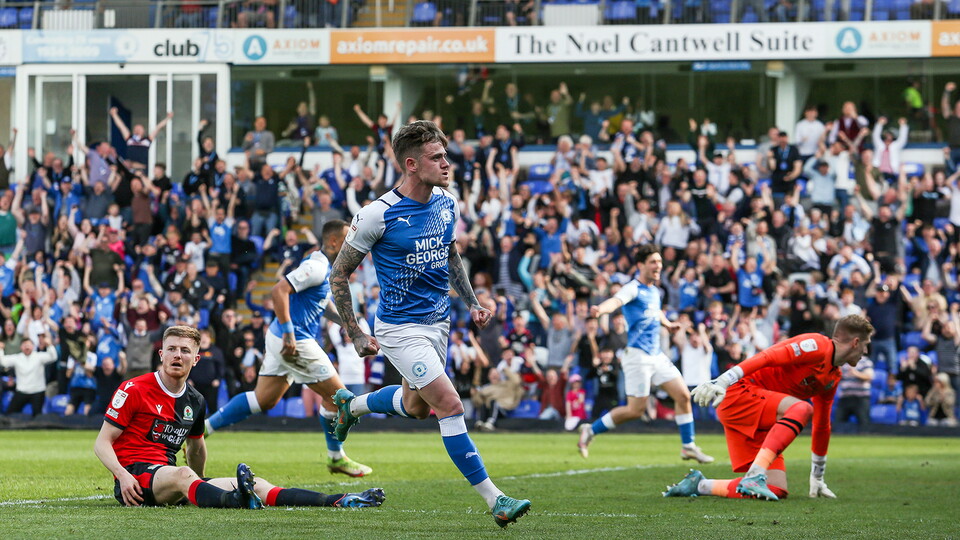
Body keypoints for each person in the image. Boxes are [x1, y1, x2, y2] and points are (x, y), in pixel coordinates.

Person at [327, 120, 531, 528]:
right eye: (436, 157)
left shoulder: (446, 202)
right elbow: (338, 274)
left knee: (417, 408)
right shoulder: (376, 215)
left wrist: (472, 302)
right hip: (399, 329)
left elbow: (450, 253)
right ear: (411, 164)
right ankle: (496, 500)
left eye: (445, 155)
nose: (446, 163)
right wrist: (355, 333)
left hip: (438, 324)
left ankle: (353, 405)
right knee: (450, 406)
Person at [93, 325, 385, 509]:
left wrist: (199, 478)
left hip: (170, 479)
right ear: (161, 354)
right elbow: (102, 442)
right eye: (171, 349)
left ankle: (340, 500)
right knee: (184, 475)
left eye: (184, 351)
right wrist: (122, 475)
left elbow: (196, 448)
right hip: (135, 479)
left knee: (259, 483)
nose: (177, 356)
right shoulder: (134, 389)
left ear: (196, 359)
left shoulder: (194, 400)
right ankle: (237, 501)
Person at [204, 219, 373, 478]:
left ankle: (204, 428)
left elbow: (321, 304)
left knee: (263, 399)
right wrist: (289, 333)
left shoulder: (327, 266)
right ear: (333, 242)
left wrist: (351, 327)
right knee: (340, 398)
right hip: (295, 340)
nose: (353, 245)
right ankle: (336, 457)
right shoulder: (317, 266)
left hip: (281, 336)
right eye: (348, 239)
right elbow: (278, 290)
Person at [664, 314, 874, 501]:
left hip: (762, 415)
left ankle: (700, 485)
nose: (866, 351)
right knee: (801, 409)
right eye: (866, 344)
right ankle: (755, 474)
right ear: (856, 342)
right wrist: (723, 380)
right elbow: (768, 356)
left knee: (776, 488)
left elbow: (822, 425)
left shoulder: (832, 376)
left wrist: (817, 476)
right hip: (740, 393)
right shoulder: (816, 345)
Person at [577, 244, 714, 463]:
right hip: (637, 357)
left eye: (659, 262)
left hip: (656, 354)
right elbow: (617, 300)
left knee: (683, 396)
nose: (658, 266)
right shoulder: (633, 288)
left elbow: (655, 310)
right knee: (634, 410)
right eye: (653, 262)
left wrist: (668, 325)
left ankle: (688, 446)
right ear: (641, 265)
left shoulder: (654, 291)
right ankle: (590, 430)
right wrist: (601, 309)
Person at [1, 334, 58, 416]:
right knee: (10, 414)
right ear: (21, 347)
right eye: (24, 345)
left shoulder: (39, 356)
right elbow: (3, 362)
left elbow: (53, 357)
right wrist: (1, 349)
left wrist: (49, 345)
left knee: (37, 416)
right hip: (22, 391)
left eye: (28, 345)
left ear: (33, 346)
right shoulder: (17, 358)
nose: (27, 347)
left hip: (37, 391)